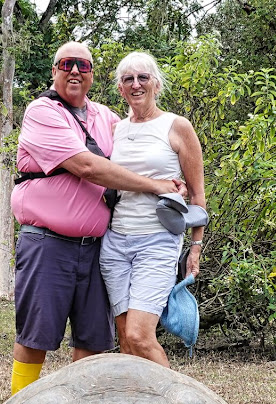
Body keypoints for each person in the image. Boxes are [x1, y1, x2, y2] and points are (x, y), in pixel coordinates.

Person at [10, 42, 185, 394]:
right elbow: (87, 166)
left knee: (92, 340)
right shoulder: (42, 112)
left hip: (96, 248)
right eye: (66, 64)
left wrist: (174, 175)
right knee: (35, 336)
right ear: (54, 71)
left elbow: (138, 146)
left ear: (92, 75)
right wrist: (157, 185)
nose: (75, 71)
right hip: (47, 243)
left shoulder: (106, 118)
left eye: (83, 65)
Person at [99, 52, 206, 368]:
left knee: (140, 335)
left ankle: (173, 398)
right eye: (128, 79)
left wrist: (195, 249)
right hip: (115, 243)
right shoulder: (115, 130)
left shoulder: (176, 126)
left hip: (157, 241)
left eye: (143, 77)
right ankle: (134, 400)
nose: (136, 84)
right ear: (120, 89)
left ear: (156, 84)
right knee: (125, 337)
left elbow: (197, 196)